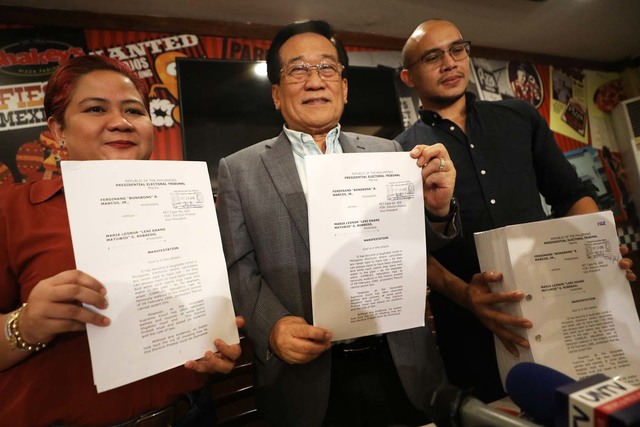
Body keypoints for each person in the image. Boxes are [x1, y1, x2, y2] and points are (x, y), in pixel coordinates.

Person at [216, 20, 458, 427]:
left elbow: (417, 254)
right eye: (297, 70)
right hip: (304, 381)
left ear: (344, 87)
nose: (314, 81)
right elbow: (238, 266)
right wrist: (272, 327)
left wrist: (436, 211)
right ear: (276, 94)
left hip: (401, 363)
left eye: (327, 68)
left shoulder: (389, 152)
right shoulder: (239, 169)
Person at [396, 19, 636, 403]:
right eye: (432, 56)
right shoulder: (401, 152)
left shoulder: (519, 117)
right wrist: (466, 296)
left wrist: (602, 251)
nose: (450, 62)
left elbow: (569, 193)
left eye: (457, 49)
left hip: (560, 307)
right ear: (409, 76)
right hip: (468, 328)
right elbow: (409, 250)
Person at [0, 55, 243, 427]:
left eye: (134, 110)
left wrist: (218, 348)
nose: (121, 122)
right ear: (57, 129)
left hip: (190, 413)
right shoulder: (13, 209)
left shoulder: (192, 206)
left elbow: (209, 321)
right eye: (95, 108)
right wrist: (26, 324)